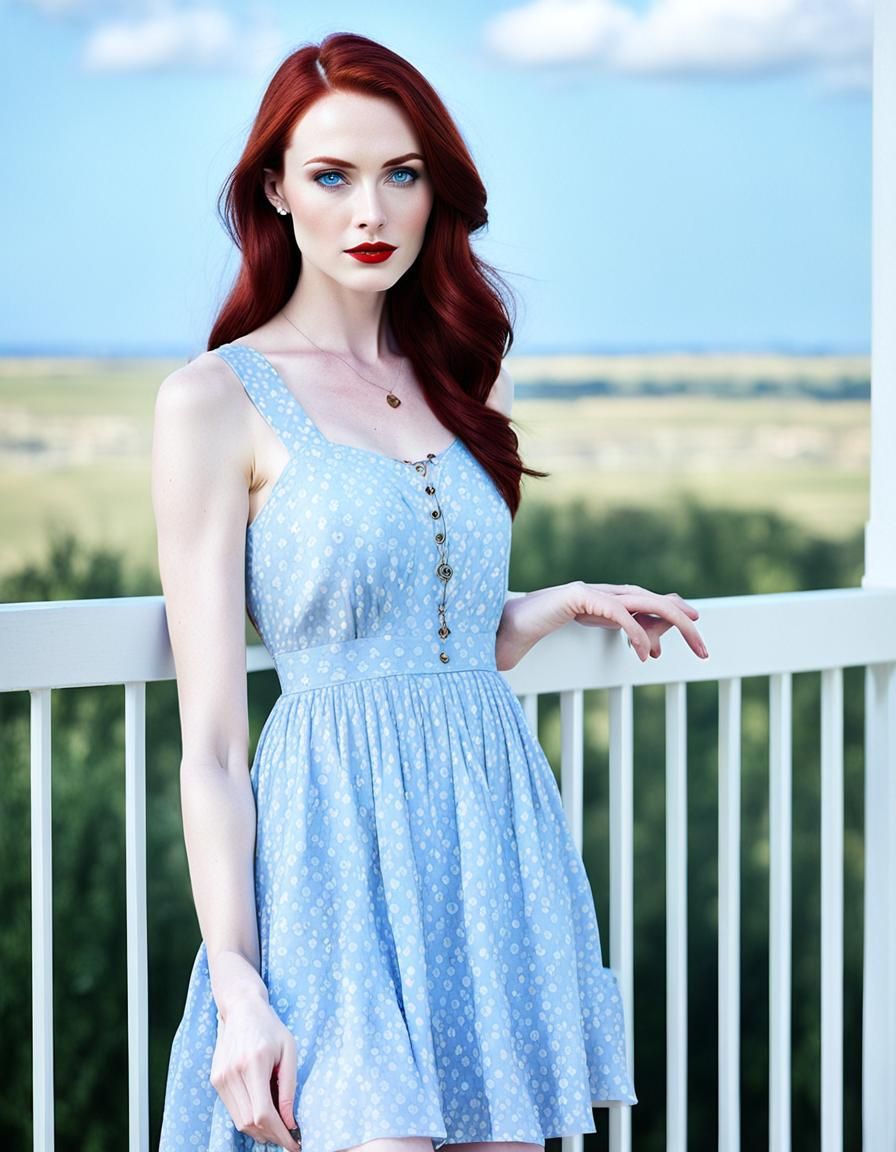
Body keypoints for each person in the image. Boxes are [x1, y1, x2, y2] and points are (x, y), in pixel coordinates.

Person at [151, 30, 708, 1152]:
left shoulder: (452, 372)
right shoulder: (214, 401)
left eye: (400, 174)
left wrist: (542, 609)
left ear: (432, 189)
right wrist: (241, 986)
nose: (371, 211)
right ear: (275, 189)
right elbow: (210, 747)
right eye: (331, 175)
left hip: (488, 837)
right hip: (331, 867)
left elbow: (416, 637)